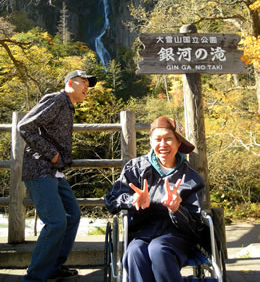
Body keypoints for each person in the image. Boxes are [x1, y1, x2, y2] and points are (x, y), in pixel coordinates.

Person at [18, 70, 97, 282]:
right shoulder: (56, 99)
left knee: (72, 215)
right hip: (40, 170)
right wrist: (52, 154)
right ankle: (34, 277)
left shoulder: (68, 106)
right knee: (55, 222)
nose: (87, 88)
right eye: (84, 84)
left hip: (55, 172)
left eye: (89, 85)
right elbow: (24, 126)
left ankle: (53, 266)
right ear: (70, 83)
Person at [105, 116, 206, 282]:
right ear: (151, 142)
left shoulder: (191, 178)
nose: (163, 144)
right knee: (134, 251)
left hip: (177, 235)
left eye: (169, 139)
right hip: (142, 231)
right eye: (158, 139)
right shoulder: (135, 168)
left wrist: (176, 209)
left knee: (159, 249)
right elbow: (111, 200)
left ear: (178, 143)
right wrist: (132, 200)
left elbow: (195, 226)